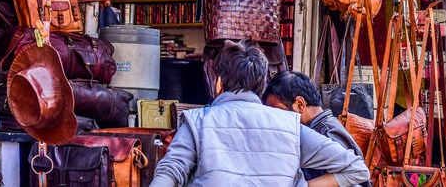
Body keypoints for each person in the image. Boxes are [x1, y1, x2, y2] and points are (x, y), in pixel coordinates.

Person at [151, 41, 370, 187]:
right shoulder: (291, 126)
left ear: (219, 83)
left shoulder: (198, 122)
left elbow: (170, 172)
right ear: (260, 86)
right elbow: (357, 169)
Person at [264, 71, 367, 184]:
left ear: (300, 104)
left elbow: (356, 175)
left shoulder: (326, 133)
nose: (275, 119)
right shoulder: (324, 127)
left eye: (279, 111)